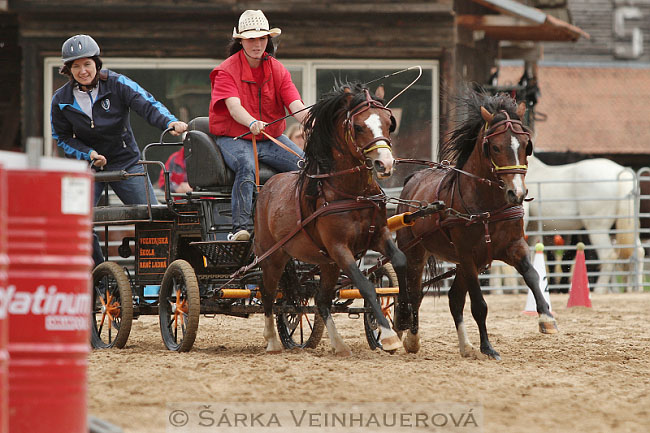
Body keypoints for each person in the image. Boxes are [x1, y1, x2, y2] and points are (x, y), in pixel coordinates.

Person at [51, 34, 188, 266]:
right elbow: (62, 138)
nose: (82, 70)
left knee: (153, 218)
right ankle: (100, 277)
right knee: (78, 223)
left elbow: (146, 103)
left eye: (87, 64)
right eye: (76, 66)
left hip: (126, 162)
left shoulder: (116, 83)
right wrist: (90, 154)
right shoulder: (61, 99)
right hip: (88, 168)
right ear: (68, 69)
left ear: (96, 63)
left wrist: (169, 122)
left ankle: (155, 283)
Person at [209, 10, 308, 241]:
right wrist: (251, 122)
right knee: (245, 165)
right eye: (252, 38)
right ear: (241, 40)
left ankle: (301, 222)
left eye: (262, 38)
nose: (257, 44)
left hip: (268, 137)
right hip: (235, 137)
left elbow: (296, 105)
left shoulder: (278, 69)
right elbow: (234, 108)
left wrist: (314, 122)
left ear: (268, 40)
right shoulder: (225, 70)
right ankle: (240, 229)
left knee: (305, 165)